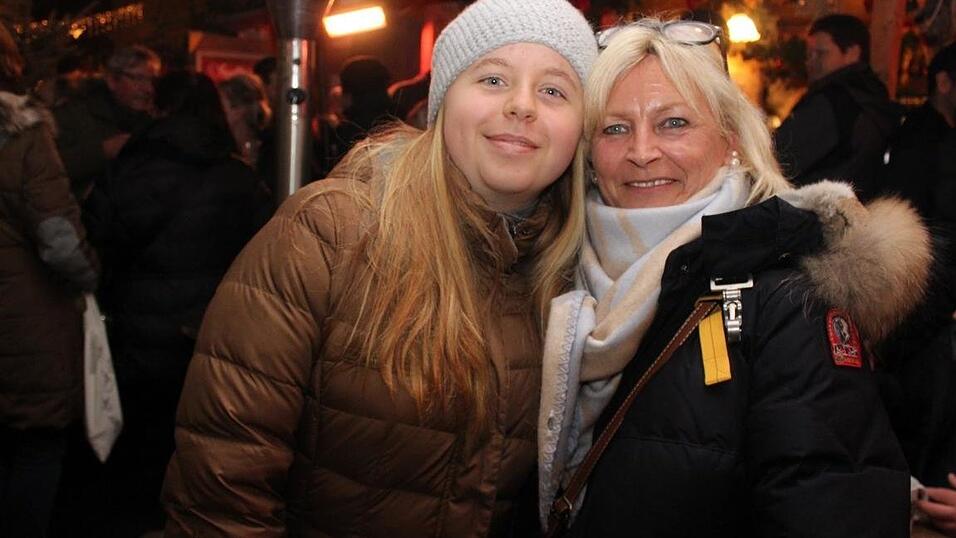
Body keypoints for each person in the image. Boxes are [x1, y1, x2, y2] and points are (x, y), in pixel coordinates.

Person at [161, 0, 597, 536]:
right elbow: (220, 486)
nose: (522, 106)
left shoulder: (576, 276)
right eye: (492, 79)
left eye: (554, 90)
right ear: (441, 106)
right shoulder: (328, 233)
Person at [537, 18, 929, 537]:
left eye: (673, 122)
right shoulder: (552, 274)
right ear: (588, 157)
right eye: (614, 128)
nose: (641, 150)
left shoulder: (790, 300)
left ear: (731, 140)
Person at [77, 70, 271, 536]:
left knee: (139, 454)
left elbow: (95, 232)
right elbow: (266, 251)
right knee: (199, 451)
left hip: (137, 337)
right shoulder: (238, 177)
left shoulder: (130, 167)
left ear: (159, 109)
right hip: (212, 337)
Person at [0, 22, 99, 537]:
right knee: (36, 449)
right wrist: (90, 277)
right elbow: (58, 237)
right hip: (24, 322)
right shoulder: (22, 133)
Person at [774, 14, 901, 202]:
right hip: (858, 210)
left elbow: (780, 156)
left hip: (818, 213)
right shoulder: (873, 97)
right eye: (809, 55)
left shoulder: (835, 99)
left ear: (852, 52)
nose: (811, 62)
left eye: (821, 53)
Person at [54, 45, 160, 201]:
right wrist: (103, 151)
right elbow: (49, 168)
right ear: (112, 81)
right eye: (138, 79)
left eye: (151, 80)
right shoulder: (74, 114)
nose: (148, 89)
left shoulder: (150, 120)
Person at [219, 72, 272, 168]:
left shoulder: (269, 151)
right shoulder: (222, 148)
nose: (216, 110)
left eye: (221, 105)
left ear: (239, 109)